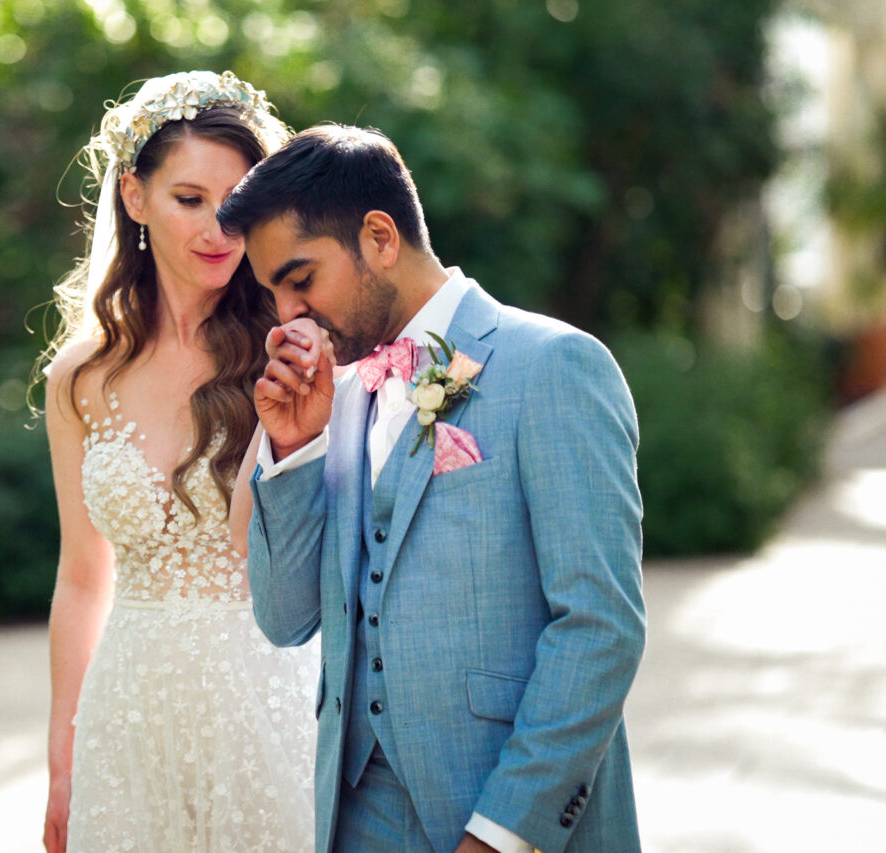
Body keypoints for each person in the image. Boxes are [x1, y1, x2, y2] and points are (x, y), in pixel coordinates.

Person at [216, 125, 645, 853]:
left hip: (503, 815)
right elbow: (285, 618)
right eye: (274, 292)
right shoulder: (340, 396)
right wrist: (293, 446)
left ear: (380, 237)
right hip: (357, 820)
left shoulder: (554, 365)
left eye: (301, 278)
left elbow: (600, 627)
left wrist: (503, 832)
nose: (288, 314)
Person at [40, 71, 318, 853]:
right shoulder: (80, 378)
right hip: (127, 711)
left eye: (234, 203)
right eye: (188, 199)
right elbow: (81, 575)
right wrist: (63, 758)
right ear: (134, 197)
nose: (217, 229)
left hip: (266, 694)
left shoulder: (292, 350)